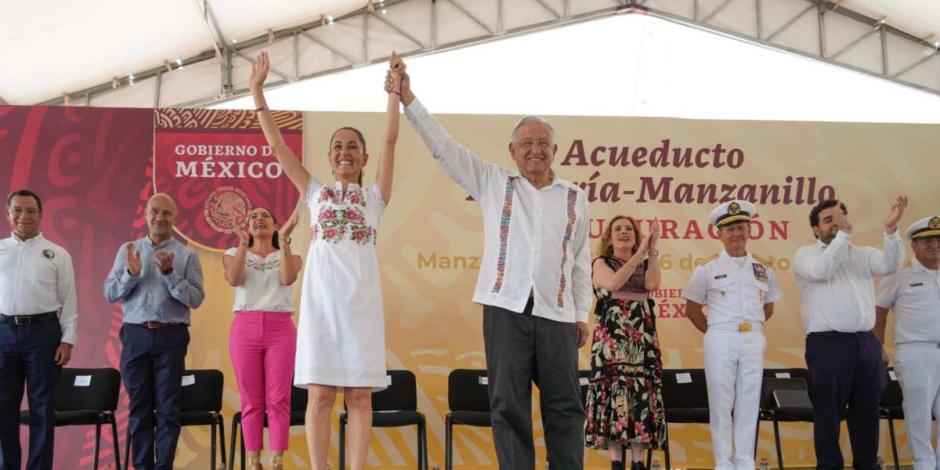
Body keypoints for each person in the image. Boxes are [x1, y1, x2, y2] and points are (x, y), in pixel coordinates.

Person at [394, 55, 592, 469]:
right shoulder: (492, 181)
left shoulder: (574, 197)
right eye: (527, 144)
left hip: (557, 315)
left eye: (543, 144)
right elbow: (443, 148)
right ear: (513, 151)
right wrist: (408, 97)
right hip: (505, 309)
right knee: (508, 406)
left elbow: (579, 261)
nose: (535, 150)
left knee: (566, 407)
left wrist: (581, 313)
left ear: (555, 150)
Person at [249, 51, 400, 470]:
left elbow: (389, 140)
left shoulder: (375, 199)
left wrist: (393, 95)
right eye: (337, 146)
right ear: (330, 157)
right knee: (319, 396)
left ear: (364, 159)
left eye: (353, 146)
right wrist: (257, 91)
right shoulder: (315, 193)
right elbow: (278, 147)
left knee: (359, 398)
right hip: (321, 309)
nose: (344, 152)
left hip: (362, 311)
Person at [794, 196, 906, 470]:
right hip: (827, 344)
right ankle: (829, 466)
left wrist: (891, 231)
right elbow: (821, 272)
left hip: (864, 342)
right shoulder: (806, 254)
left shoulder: (862, 253)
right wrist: (843, 237)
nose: (836, 223)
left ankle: (867, 464)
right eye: (828, 219)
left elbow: (890, 265)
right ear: (816, 229)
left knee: (867, 411)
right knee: (828, 413)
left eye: (840, 216)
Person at [103, 193, 205, 470]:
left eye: (167, 213)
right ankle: (142, 466)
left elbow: (196, 298)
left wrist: (171, 274)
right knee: (139, 409)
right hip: (135, 335)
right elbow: (109, 292)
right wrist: (131, 275)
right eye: (155, 212)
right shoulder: (129, 250)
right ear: (146, 214)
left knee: (169, 409)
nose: (160, 218)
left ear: (176, 219)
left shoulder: (187, 255)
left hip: (171, 336)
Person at [683, 200, 782, 470]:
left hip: (752, 339)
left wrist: (749, 328)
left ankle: (745, 460)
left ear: (750, 230)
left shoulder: (763, 268)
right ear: (719, 233)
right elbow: (691, 308)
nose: (736, 233)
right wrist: (715, 331)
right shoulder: (708, 267)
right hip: (721, 338)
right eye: (730, 229)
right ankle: (724, 461)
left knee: (749, 400)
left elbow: (769, 306)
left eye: (741, 227)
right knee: (721, 401)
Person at [0, 189, 78, 470]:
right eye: (17, 210)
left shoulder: (57, 254)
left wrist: (67, 341)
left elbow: (69, 302)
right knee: (3, 409)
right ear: (8, 215)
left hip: (44, 334)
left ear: (41, 215)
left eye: (31, 210)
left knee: (42, 410)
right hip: (4, 333)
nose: (24, 216)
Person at [223, 206, 302, 470]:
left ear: (276, 225)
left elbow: (287, 277)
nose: (259, 219)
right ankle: (253, 460)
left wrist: (286, 241)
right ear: (247, 227)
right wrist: (244, 244)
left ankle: (277, 459)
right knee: (250, 399)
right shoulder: (234, 254)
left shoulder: (290, 256)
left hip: (281, 328)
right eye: (253, 216)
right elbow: (234, 280)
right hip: (245, 328)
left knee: (278, 398)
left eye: (265, 216)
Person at [585, 216, 666, 470]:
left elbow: (652, 284)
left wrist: (651, 250)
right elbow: (613, 283)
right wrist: (640, 252)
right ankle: (617, 463)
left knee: (639, 393)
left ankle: (639, 462)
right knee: (615, 393)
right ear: (609, 238)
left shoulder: (645, 260)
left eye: (629, 229)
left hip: (642, 338)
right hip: (612, 340)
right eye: (618, 229)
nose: (623, 232)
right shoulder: (601, 262)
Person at [874, 214, 940, 470]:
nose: (934, 245)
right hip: (915, 352)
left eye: (937, 240)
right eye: (927, 241)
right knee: (919, 414)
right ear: (914, 245)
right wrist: (878, 346)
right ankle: (923, 463)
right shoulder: (899, 275)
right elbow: (879, 311)